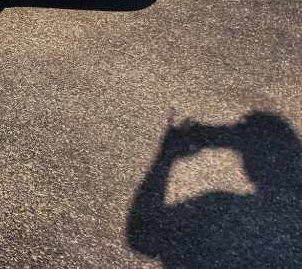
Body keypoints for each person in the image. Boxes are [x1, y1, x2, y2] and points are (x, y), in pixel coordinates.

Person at [127, 112, 302, 268]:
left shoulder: (222, 212)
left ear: (249, 167)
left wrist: (166, 157)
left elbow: (141, 234)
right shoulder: (290, 224)